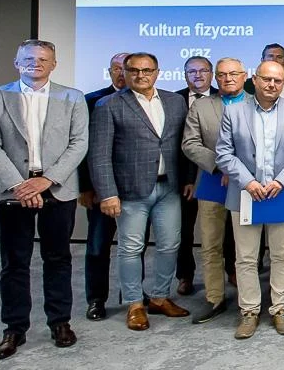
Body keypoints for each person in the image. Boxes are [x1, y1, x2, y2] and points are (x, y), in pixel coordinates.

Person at [0, 39, 86, 360]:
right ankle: (14, 328)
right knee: (14, 263)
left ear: (54, 64)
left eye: (43, 59)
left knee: (58, 258)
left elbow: (78, 144)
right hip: (11, 194)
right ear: (16, 61)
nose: (35, 63)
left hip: (57, 188)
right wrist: (18, 185)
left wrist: (44, 181)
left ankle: (60, 322)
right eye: (29, 58)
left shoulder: (73, 98)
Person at [89, 52, 191, 330]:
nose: (141, 75)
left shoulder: (174, 101)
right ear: (124, 72)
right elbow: (99, 155)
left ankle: (159, 297)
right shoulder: (108, 105)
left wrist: (188, 179)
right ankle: (134, 303)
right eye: (134, 70)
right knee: (131, 248)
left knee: (170, 245)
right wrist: (108, 193)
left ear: (157, 72)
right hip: (131, 191)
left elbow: (183, 145)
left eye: (147, 70)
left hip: (168, 187)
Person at [215, 61, 284, 339]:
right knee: (246, 257)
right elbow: (224, 153)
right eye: (267, 80)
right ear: (254, 80)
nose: (272, 85)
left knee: (282, 254)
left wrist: (281, 181)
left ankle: (280, 308)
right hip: (247, 194)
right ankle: (249, 311)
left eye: (278, 81)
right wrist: (249, 182)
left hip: (282, 193)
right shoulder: (233, 112)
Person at [181, 57, 249, 324]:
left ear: (245, 76)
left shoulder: (256, 103)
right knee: (211, 244)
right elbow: (190, 144)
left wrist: (237, 171)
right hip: (211, 181)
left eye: (234, 73)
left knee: (246, 247)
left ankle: (248, 300)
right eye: (222, 74)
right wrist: (222, 166)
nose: (228, 78)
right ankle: (214, 298)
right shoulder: (201, 106)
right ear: (215, 78)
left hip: (247, 183)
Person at [81, 51, 128, 321]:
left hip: (135, 189)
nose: (122, 73)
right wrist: (85, 187)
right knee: (98, 246)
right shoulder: (92, 101)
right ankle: (96, 299)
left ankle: (132, 294)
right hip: (100, 189)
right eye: (117, 69)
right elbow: (84, 149)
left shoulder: (149, 101)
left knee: (133, 246)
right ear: (109, 72)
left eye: (127, 68)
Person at [173, 56, 217, 296]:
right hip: (182, 177)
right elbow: (181, 143)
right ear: (185, 75)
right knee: (184, 229)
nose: (198, 76)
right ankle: (185, 275)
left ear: (211, 74)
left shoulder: (223, 98)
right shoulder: (172, 100)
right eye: (192, 72)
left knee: (224, 230)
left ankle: (229, 271)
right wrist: (189, 179)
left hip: (216, 175)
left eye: (203, 71)